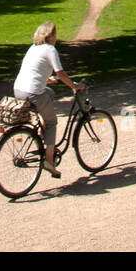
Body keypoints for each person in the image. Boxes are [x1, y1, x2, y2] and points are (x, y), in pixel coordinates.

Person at [13, 22, 84, 179]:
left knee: (50, 93)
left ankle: (41, 130)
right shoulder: (50, 49)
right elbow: (61, 73)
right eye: (55, 34)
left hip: (19, 90)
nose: (56, 38)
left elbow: (33, 72)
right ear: (50, 36)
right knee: (52, 122)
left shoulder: (33, 48)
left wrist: (46, 80)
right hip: (33, 93)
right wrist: (74, 86)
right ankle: (49, 161)